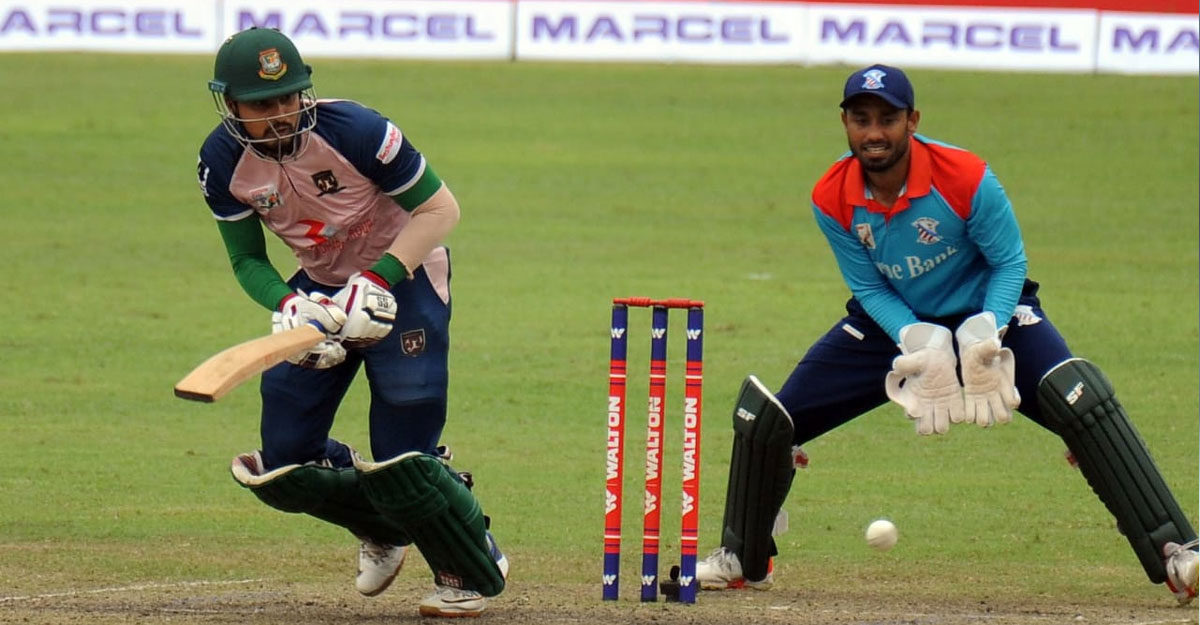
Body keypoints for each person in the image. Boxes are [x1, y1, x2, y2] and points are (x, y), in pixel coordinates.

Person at [695, 64, 1198, 605]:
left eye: (887, 119)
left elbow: (1009, 263)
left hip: (990, 312)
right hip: (895, 320)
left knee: (1081, 401)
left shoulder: (965, 176)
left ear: (912, 121)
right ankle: (744, 559)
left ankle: (1177, 551)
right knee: (772, 419)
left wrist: (985, 331)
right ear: (845, 123)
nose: (874, 133)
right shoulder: (831, 195)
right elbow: (868, 286)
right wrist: (915, 337)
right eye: (861, 119)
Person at [195, 27, 507, 618]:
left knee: (403, 460)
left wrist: (379, 278)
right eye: (261, 105)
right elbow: (246, 260)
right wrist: (289, 304)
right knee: (283, 464)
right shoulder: (220, 162)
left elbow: (440, 209)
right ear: (230, 105)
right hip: (317, 288)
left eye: (288, 97)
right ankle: (382, 530)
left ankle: (469, 561)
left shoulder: (358, 130)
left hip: (405, 277)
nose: (280, 114)